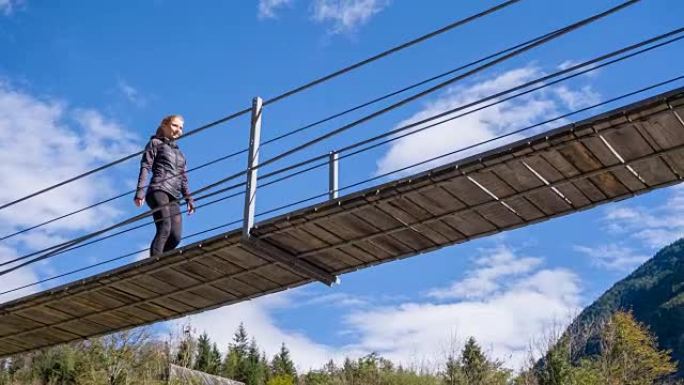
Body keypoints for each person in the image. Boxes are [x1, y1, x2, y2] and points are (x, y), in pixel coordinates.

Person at [134, 114, 195, 256]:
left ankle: (161, 259)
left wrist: (189, 199)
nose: (178, 130)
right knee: (165, 227)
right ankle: (153, 264)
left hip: (174, 195)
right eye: (174, 125)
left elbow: (183, 179)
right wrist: (140, 192)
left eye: (181, 128)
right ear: (164, 125)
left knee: (175, 236)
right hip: (158, 190)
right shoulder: (155, 143)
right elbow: (145, 167)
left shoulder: (180, 154)